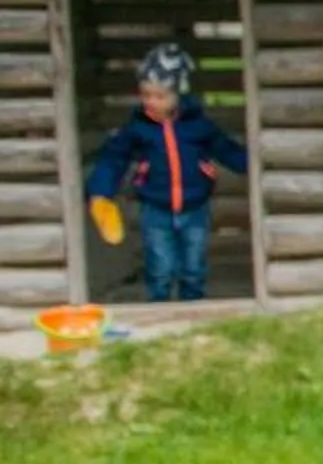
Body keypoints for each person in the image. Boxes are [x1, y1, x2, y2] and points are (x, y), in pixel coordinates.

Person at [84, 42, 247, 303]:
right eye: (146, 95)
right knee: (160, 266)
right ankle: (158, 307)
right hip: (155, 209)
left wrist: (250, 164)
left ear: (178, 94)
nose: (151, 101)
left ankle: (193, 307)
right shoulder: (138, 128)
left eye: (160, 96)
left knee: (193, 266)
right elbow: (114, 158)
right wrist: (101, 191)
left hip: (195, 207)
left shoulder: (199, 126)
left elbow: (225, 149)